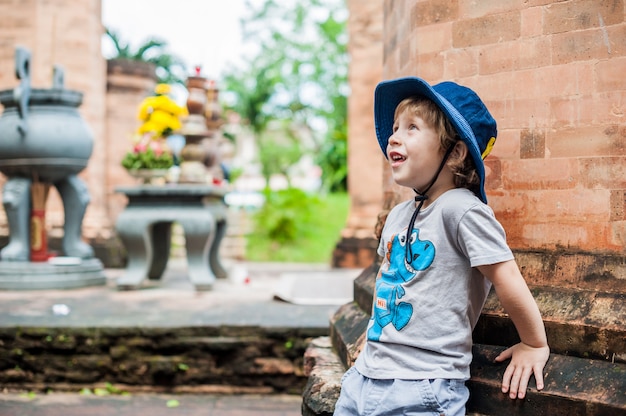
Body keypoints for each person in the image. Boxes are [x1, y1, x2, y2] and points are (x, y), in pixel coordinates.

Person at [333, 77, 550, 416]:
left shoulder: (462, 210)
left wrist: (535, 343)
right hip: (364, 377)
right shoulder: (398, 215)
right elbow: (388, 284)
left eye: (411, 128)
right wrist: (373, 339)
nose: (394, 136)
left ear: (455, 153)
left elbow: (507, 277)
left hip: (423, 386)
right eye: (394, 127)